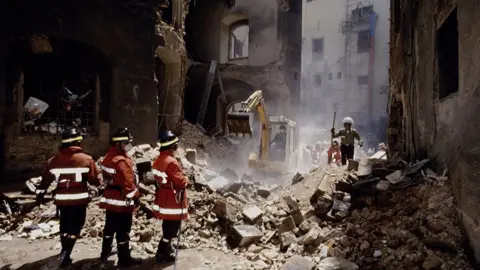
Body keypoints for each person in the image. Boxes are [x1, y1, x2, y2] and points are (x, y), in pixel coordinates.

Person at [35, 128, 101, 267]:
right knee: (76, 227)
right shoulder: (87, 159)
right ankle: (66, 253)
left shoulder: (53, 161)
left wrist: (40, 193)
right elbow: (95, 180)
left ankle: (64, 252)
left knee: (64, 225)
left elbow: (45, 180)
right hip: (79, 200)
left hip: (62, 200)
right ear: (77, 142)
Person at [98, 127, 142, 268]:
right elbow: (128, 185)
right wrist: (136, 197)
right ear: (118, 144)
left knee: (109, 227)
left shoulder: (107, 157)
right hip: (121, 202)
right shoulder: (121, 161)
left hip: (110, 200)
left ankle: (105, 253)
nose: (128, 146)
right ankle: (124, 259)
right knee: (123, 230)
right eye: (126, 143)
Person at [152, 131, 189, 264]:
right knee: (171, 229)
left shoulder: (158, 160)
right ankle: (162, 253)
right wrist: (186, 179)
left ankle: (166, 248)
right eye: (175, 145)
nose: (176, 148)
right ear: (171, 146)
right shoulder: (171, 162)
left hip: (163, 197)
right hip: (172, 200)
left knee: (167, 225)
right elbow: (181, 181)